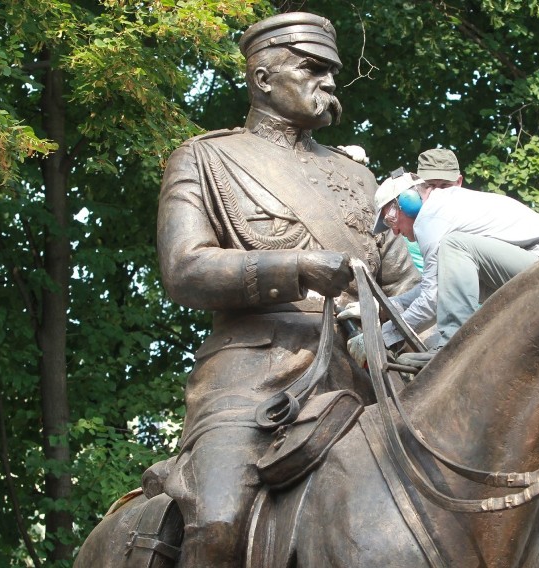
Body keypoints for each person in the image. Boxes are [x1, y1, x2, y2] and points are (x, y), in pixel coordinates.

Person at [155, 12, 419, 567]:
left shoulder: (358, 179)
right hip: (254, 378)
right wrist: (298, 267)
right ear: (263, 79)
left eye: (333, 72)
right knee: (219, 520)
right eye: (313, 69)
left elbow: (404, 285)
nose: (329, 83)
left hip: (367, 377)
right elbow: (184, 269)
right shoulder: (206, 158)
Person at [348, 149, 539, 366]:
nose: (396, 232)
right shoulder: (442, 208)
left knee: (454, 245)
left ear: (409, 201)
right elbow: (442, 287)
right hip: (537, 265)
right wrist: (380, 307)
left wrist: (380, 338)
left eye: (391, 220)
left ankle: (452, 346)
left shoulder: (431, 217)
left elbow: (432, 298)